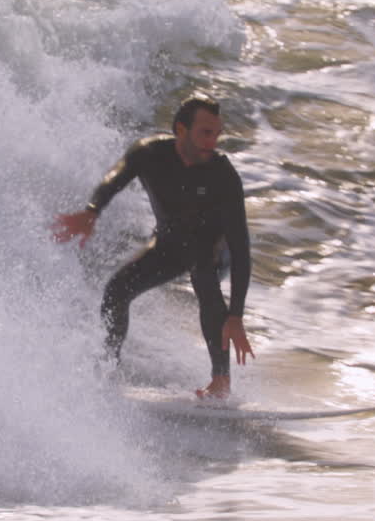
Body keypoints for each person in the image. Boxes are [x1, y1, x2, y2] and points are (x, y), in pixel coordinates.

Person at [54, 94, 254, 399]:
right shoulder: (149, 153)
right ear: (181, 130)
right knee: (117, 291)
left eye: (217, 133)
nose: (213, 142)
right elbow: (115, 178)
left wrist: (236, 315)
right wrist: (91, 211)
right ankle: (108, 370)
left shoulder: (223, 175)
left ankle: (221, 381)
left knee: (204, 274)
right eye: (205, 132)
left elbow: (241, 250)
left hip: (215, 251)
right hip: (169, 245)